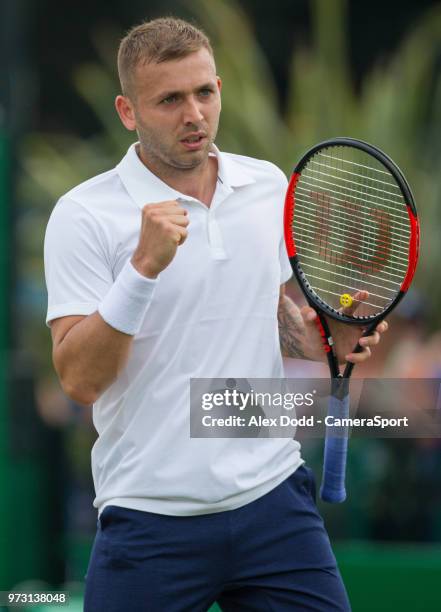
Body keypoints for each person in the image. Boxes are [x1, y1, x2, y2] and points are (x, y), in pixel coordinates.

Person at [44, 17, 387, 611]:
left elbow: (269, 314)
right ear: (128, 112)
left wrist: (321, 338)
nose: (194, 114)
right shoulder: (83, 216)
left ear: (220, 89)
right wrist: (143, 269)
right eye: (170, 99)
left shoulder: (267, 185)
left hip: (275, 501)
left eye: (205, 93)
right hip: (151, 517)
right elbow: (79, 380)